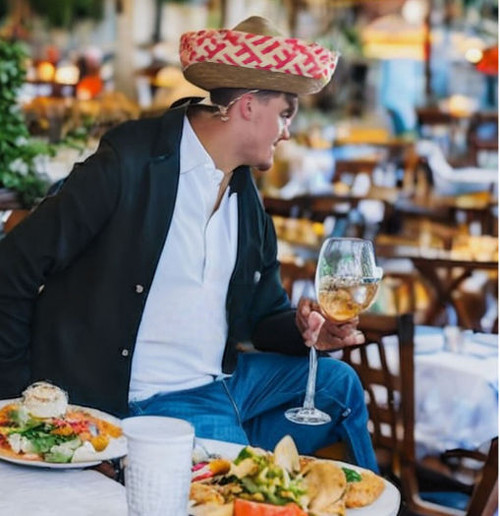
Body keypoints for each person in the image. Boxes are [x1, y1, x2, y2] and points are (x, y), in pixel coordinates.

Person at [0, 16, 377, 471]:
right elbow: (14, 265)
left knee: (339, 384)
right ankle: (224, 461)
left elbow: (262, 315)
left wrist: (306, 331)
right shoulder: (130, 163)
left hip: (225, 381)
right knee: (242, 480)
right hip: (153, 397)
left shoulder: (244, 194)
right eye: (285, 113)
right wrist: (18, 397)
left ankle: (358, 492)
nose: (288, 131)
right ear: (248, 106)